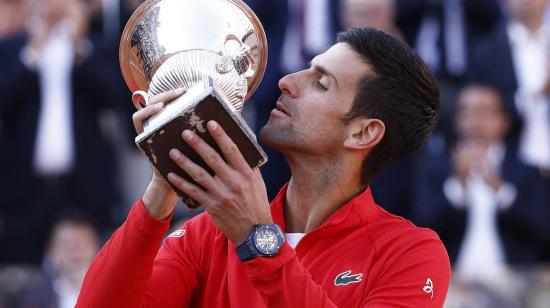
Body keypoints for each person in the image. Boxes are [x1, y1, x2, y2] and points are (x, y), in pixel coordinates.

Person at [76, 27, 451, 307]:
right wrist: (163, 186)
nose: (287, 81)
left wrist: (257, 240)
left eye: (320, 83)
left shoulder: (410, 254)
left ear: (362, 132)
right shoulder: (210, 232)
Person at [413, 85, 549, 283]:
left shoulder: (526, 172)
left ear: (503, 121)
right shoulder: (436, 170)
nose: (475, 120)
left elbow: (541, 231)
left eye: (483, 112)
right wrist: (457, 186)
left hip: (514, 283)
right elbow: (422, 230)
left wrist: (501, 191)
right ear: (458, 121)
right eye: (467, 112)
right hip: (451, 282)